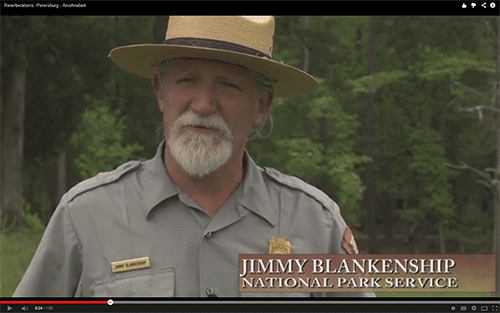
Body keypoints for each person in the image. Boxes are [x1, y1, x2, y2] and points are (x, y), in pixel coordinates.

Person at [14, 16, 374, 297]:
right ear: (160, 91)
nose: (203, 105)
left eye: (228, 85)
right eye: (187, 80)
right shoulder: (85, 217)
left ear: (261, 105)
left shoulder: (316, 223)